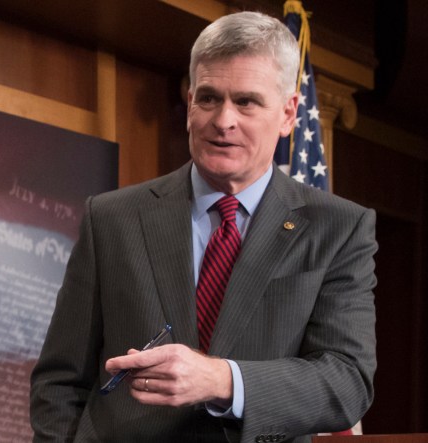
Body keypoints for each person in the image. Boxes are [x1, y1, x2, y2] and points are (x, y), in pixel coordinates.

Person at [30, 11, 376, 443]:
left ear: (288, 113)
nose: (223, 120)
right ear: (190, 101)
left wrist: (221, 380)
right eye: (209, 98)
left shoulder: (339, 227)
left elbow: (347, 383)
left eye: (246, 102)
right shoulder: (112, 217)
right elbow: (60, 382)